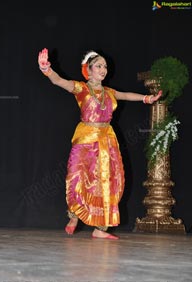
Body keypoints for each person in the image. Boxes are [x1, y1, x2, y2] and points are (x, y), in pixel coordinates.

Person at [38, 48, 162, 239]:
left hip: (106, 140)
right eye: (99, 66)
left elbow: (127, 95)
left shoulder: (109, 92)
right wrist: (46, 69)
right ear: (89, 69)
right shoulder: (81, 88)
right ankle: (74, 215)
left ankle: (100, 229)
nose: (103, 69)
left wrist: (147, 98)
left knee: (109, 182)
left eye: (105, 66)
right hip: (86, 138)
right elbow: (58, 81)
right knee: (77, 176)